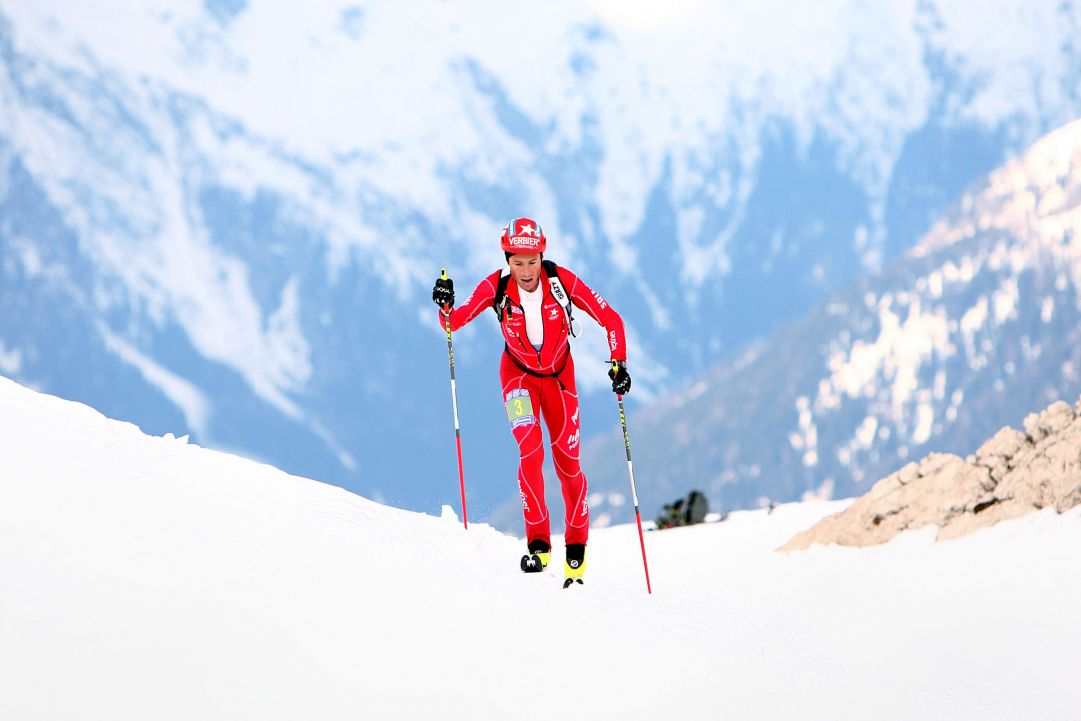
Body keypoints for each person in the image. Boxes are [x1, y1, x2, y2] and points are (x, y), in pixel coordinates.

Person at [432, 217, 631, 586]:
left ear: (542, 254)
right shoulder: (497, 286)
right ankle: (538, 545)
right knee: (531, 451)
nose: (525, 271)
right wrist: (444, 303)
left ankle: (576, 545)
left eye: (532, 261)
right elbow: (453, 322)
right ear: (507, 258)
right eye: (517, 261)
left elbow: (611, 319)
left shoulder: (562, 282)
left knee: (568, 464)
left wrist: (619, 363)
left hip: (559, 380)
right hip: (517, 377)